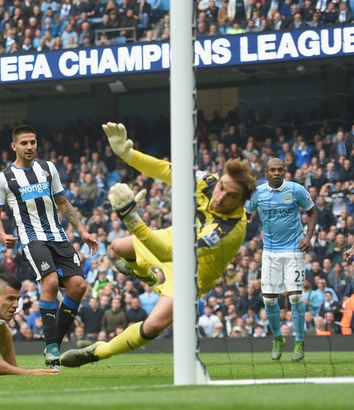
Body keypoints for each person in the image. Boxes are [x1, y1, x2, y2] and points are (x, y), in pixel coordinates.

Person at [60, 123, 256, 367]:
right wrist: (128, 155)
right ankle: (149, 277)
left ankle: (98, 352)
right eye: (221, 188)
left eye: (231, 196)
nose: (220, 197)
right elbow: (166, 170)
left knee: (154, 325)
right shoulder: (208, 181)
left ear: (242, 201)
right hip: (173, 238)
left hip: (194, 272)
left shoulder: (231, 230)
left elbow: (175, 255)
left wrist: (133, 219)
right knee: (118, 247)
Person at [0, 124, 98, 368]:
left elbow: (63, 202)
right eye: (24, 143)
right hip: (31, 238)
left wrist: (82, 232)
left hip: (58, 236)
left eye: (33, 142)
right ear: (14, 146)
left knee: (78, 286)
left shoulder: (48, 168)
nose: (30, 147)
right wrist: (2, 234)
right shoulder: (4, 178)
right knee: (49, 282)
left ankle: (54, 342)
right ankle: (51, 349)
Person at [245, 158, 316, 362]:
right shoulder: (258, 193)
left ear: (285, 171)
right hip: (270, 252)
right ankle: (278, 338)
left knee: (294, 297)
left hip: (294, 249)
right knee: (269, 299)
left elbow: (312, 213)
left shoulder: (296, 190)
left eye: (280, 170)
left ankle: (300, 342)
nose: (276, 173)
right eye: (272, 170)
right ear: (266, 172)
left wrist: (308, 237)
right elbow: (245, 214)